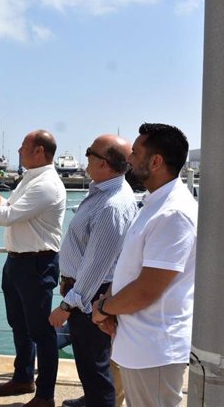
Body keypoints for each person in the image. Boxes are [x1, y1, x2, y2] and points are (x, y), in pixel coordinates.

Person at [0, 130, 66, 407]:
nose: (18, 150)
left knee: (41, 331)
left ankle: (45, 396)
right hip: (18, 261)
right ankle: (23, 377)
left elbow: (7, 217)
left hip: (37, 263)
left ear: (39, 151)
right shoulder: (32, 179)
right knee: (19, 324)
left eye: (23, 146)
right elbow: (8, 207)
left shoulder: (47, 184)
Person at [92, 123, 197, 407]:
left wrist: (102, 308)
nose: (129, 160)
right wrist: (111, 305)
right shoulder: (155, 204)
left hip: (155, 349)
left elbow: (146, 290)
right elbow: (132, 269)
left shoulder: (173, 213)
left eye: (135, 153)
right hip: (139, 343)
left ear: (156, 161)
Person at [48, 135, 138, 407]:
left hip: (90, 296)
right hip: (86, 292)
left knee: (95, 366)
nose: (85, 156)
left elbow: (96, 267)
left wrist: (67, 305)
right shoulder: (102, 192)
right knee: (89, 363)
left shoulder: (113, 205)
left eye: (90, 152)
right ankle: (91, 400)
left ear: (105, 163)